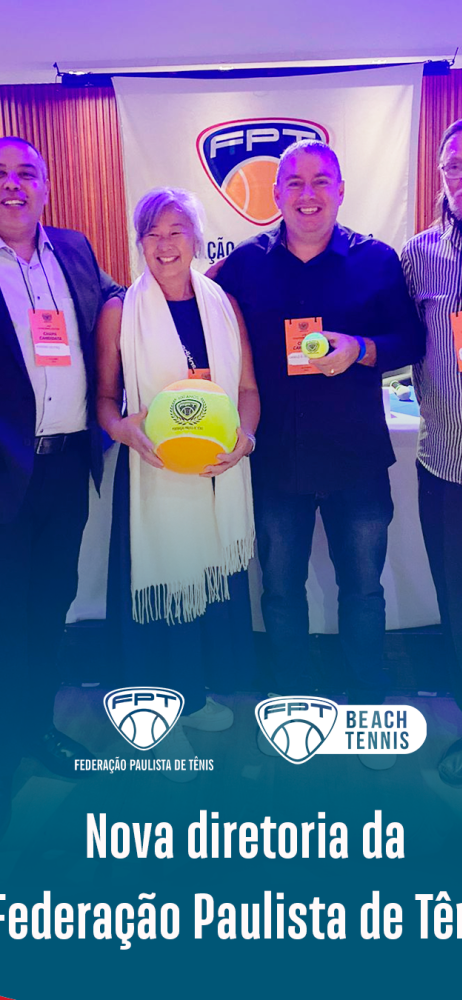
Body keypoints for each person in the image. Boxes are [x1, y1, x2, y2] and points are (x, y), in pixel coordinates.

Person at [213, 139, 423, 717]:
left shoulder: (376, 259)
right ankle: (292, 704)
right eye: (295, 182)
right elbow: (200, 312)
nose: (308, 194)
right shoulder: (245, 264)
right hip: (276, 460)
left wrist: (360, 348)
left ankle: (368, 704)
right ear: (276, 193)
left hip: (357, 459)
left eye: (321, 181)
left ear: (341, 191)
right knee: (281, 593)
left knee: (364, 590)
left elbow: (411, 340)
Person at [97, 187, 259, 768]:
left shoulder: (223, 303)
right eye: (153, 234)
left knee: (202, 594)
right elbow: (106, 401)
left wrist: (245, 438)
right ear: (140, 242)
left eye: (176, 232)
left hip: (214, 473)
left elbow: (247, 390)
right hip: (156, 475)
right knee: (164, 592)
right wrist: (124, 431)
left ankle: (189, 698)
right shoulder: (121, 311)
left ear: (195, 239)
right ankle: (154, 718)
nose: (165, 245)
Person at [0, 135, 125, 833]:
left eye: (26, 173)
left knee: (49, 604)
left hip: (67, 464)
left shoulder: (73, 249)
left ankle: (36, 728)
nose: (13, 184)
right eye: (1, 174)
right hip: (4, 469)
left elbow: (114, 299)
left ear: (46, 187)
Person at [402, 116, 462, 786]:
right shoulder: (418, 257)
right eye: (454, 166)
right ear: (440, 177)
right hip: (451, 463)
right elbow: (389, 333)